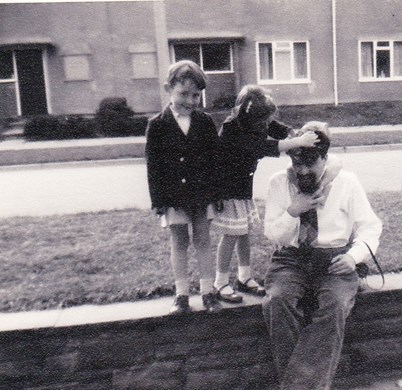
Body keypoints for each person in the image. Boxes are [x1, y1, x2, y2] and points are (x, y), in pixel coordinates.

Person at [262, 121, 383, 389]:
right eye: (297, 163)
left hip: (334, 258)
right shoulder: (279, 183)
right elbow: (272, 234)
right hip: (290, 259)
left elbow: (370, 226)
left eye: (311, 163)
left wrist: (354, 256)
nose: (303, 170)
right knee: (277, 300)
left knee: (336, 305)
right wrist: (293, 210)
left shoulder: (346, 182)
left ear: (325, 159)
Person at [211, 85, 320, 304]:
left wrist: (295, 134)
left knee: (243, 233)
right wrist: (298, 142)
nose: (266, 125)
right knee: (231, 234)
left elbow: (277, 129)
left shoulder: (255, 120)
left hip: (241, 187)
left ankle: (244, 277)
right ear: (250, 117)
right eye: (263, 122)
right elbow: (263, 147)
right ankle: (220, 282)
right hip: (226, 189)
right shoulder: (233, 128)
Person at [145, 60, 223, 314]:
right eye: (183, 94)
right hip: (174, 196)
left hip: (201, 194)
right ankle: (181, 295)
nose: (190, 101)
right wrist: (158, 200)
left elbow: (215, 160)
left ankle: (208, 292)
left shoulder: (205, 122)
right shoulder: (157, 124)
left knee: (203, 240)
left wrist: (216, 194)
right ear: (168, 89)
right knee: (179, 242)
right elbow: (153, 166)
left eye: (196, 95)